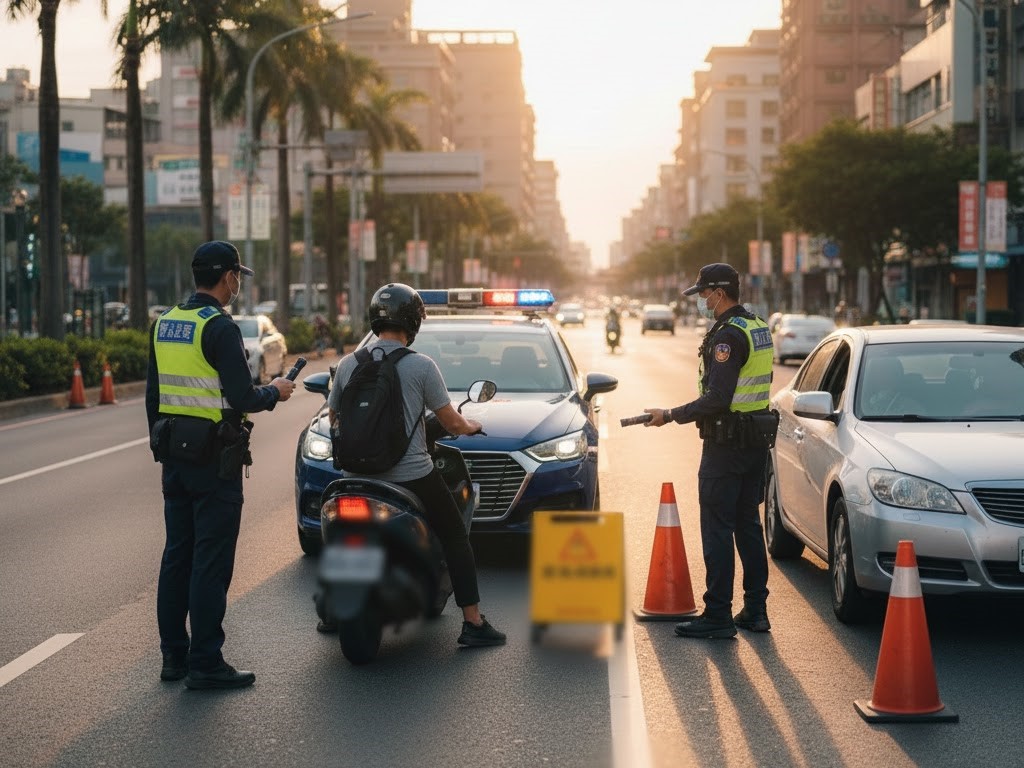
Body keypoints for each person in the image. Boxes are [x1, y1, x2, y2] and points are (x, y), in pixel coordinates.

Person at [146, 240, 296, 689]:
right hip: (214, 461)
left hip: (174, 456)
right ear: (228, 277)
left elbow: (154, 399)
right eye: (236, 277)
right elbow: (245, 396)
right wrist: (278, 391)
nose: (237, 285)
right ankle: (206, 662)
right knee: (210, 562)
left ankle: (174, 657)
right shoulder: (220, 328)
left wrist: (163, 448)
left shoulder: (166, 322)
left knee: (177, 556)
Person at [324, 282, 506, 647]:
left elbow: (334, 417)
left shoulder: (348, 364)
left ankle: (334, 608)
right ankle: (472, 621)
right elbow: (452, 422)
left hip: (354, 477)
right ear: (413, 322)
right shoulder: (421, 366)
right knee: (455, 534)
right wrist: (472, 426)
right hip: (410, 475)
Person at [641, 263, 775, 639]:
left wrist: (668, 415)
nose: (701, 300)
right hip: (754, 444)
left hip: (727, 446)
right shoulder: (758, 326)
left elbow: (717, 398)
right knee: (748, 526)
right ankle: (756, 610)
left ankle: (717, 614)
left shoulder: (727, 337)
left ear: (719, 293)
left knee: (718, 529)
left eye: (703, 293)